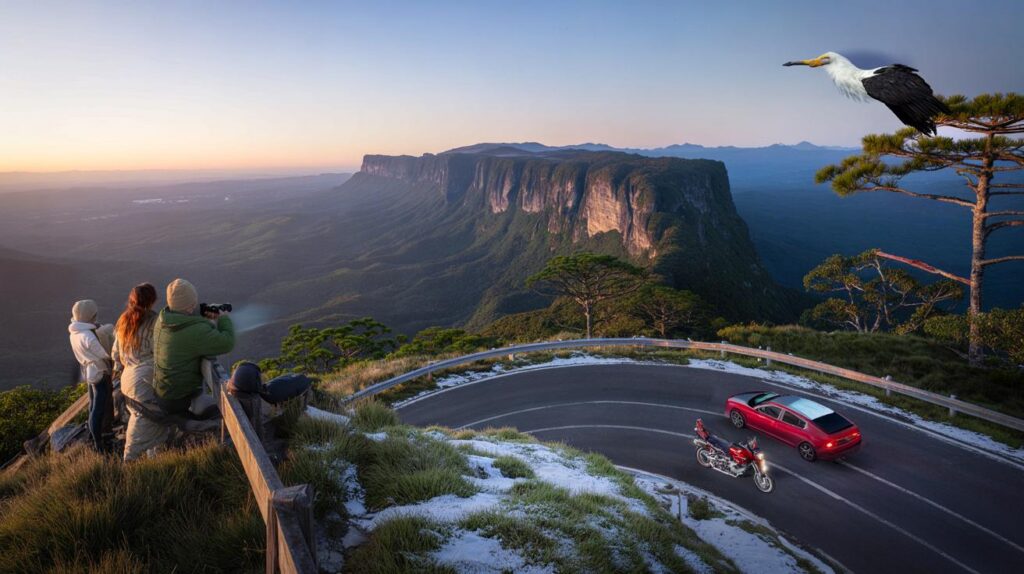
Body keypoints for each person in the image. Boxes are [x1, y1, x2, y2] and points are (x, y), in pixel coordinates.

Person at [153, 278, 235, 414]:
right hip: (180, 400)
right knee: (232, 408)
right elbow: (228, 342)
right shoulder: (195, 331)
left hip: (162, 394)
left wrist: (201, 313)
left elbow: (185, 324)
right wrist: (223, 318)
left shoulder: (162, 320)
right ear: (190, 306)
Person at [113, 283, 171, 461]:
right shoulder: (156, 321)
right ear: (153, 300)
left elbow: (115, 354)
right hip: (145, 381)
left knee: (145, 420)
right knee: (148, 420)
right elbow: (161, 353)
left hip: (127, 380)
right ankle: (129, 462)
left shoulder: (124, 320)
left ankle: (152, 462)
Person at [68, 299, 114, 452]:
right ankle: (98, 441)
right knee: (98, 408)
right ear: (89, 316)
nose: (96, 317)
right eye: (94, 315)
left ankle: (93, 435)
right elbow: (105, 354)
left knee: (92, 404)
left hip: (88, 371)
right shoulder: (88, 336)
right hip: (99, 372)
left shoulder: (75, 333)